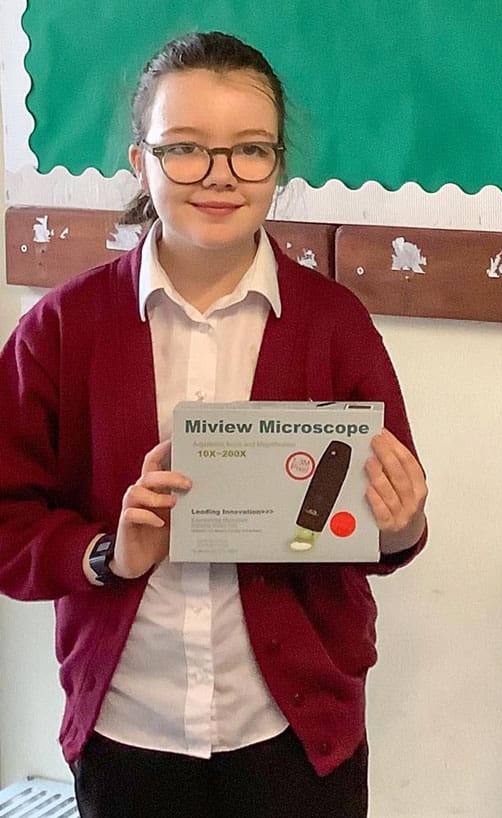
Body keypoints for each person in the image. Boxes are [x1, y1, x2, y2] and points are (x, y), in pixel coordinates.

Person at [0, 32, 429, 817]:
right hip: (130, 732)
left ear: (278, 163)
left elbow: (385, 530)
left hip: (297, 738)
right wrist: (106, 553)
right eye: (186, 150)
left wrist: (401, 524)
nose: (220, 176)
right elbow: (8, 521)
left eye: (249, 151)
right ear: (141, 163)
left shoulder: (334, 324)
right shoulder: (60, 329)